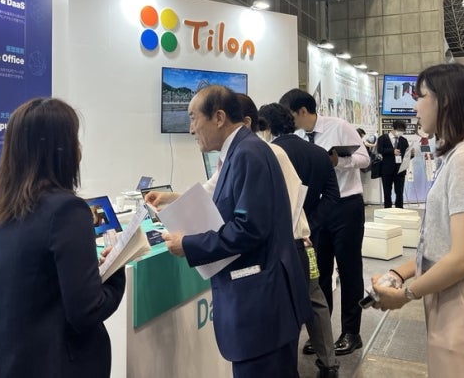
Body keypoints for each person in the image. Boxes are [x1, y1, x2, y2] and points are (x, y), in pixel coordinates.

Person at [158, 85, 311, 378]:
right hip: (262, 307)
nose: (191, 129)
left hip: (261, 308)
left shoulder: (247, 153)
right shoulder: (241, 151)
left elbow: (248, 229)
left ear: (218, 118)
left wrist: (188, 244)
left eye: (193, 118)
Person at [372, 64, 464, 378]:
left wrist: (406, 294)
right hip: (454, 296)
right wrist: (399, 272)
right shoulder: (459, 154)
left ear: (444, 100)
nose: (415, 107)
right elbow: (445, 243)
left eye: (420, 97)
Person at [0, 98, 126, 378]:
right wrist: (116, 271)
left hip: (13, 363)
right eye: (74, 139)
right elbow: (87, 312)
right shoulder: (67, 210)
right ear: (59, 149)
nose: (79, 149)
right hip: (60, 365)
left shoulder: (4, 211)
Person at [279, 89, 369, 357]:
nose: (290, 120)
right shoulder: (296, 137)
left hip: (347, 205)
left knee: (349, 269)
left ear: (302, 111)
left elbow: (365, 159)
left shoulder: (339, 126)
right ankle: (323, 334)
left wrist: (339, 161)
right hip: (317, 209)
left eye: (291, 115)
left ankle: (351, 332)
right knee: (319, 271)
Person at [258, 102, 340, 378]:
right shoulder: (318, 153)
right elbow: (333, 196)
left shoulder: (268, 154)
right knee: (315, 297)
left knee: (284, 305)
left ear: (265, 126)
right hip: (306, 240)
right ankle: (329, 363)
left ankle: (287, 368)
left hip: (279, 243)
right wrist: (310, 224)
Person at [377, 120, 409, 208]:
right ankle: (388, 209)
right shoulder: (382, 138)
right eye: (399, 130)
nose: (400, 132)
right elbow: (380, 150)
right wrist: (392, 151)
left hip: (400, 170)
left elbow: (406, 156)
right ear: (393, 128)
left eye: (402, 131)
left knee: (399, 192)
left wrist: (411, 154)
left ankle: (399, 209)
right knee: (387, 192)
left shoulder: (404, 140)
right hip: (387, 170)